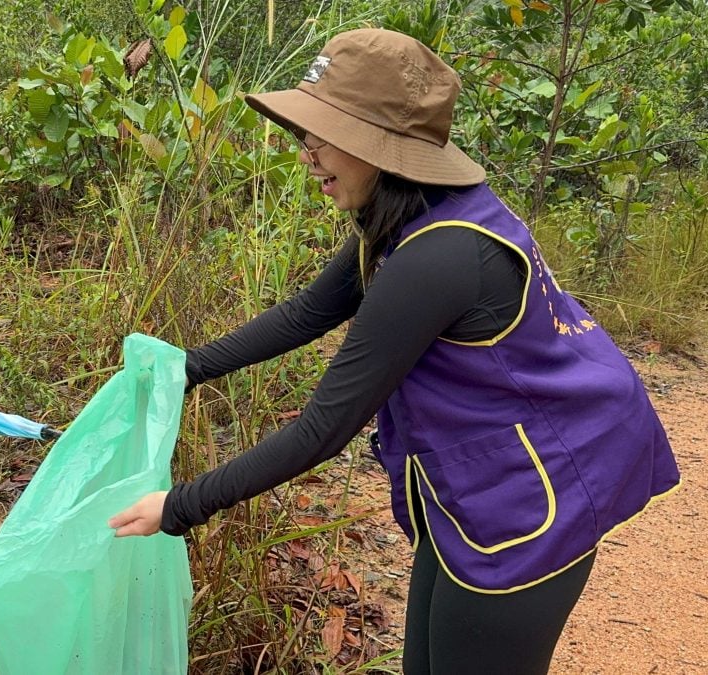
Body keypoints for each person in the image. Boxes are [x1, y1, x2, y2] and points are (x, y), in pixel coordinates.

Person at [109, 28, 680, 674]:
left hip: (538, 496)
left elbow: (323, 427)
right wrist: (190, 367)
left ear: (379, 146)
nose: (307, 155)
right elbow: (310, 311)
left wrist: (179, 506)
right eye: (305, 134)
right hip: (471, 486)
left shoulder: (439, 256)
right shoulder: (402, 215)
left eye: (322, 137)